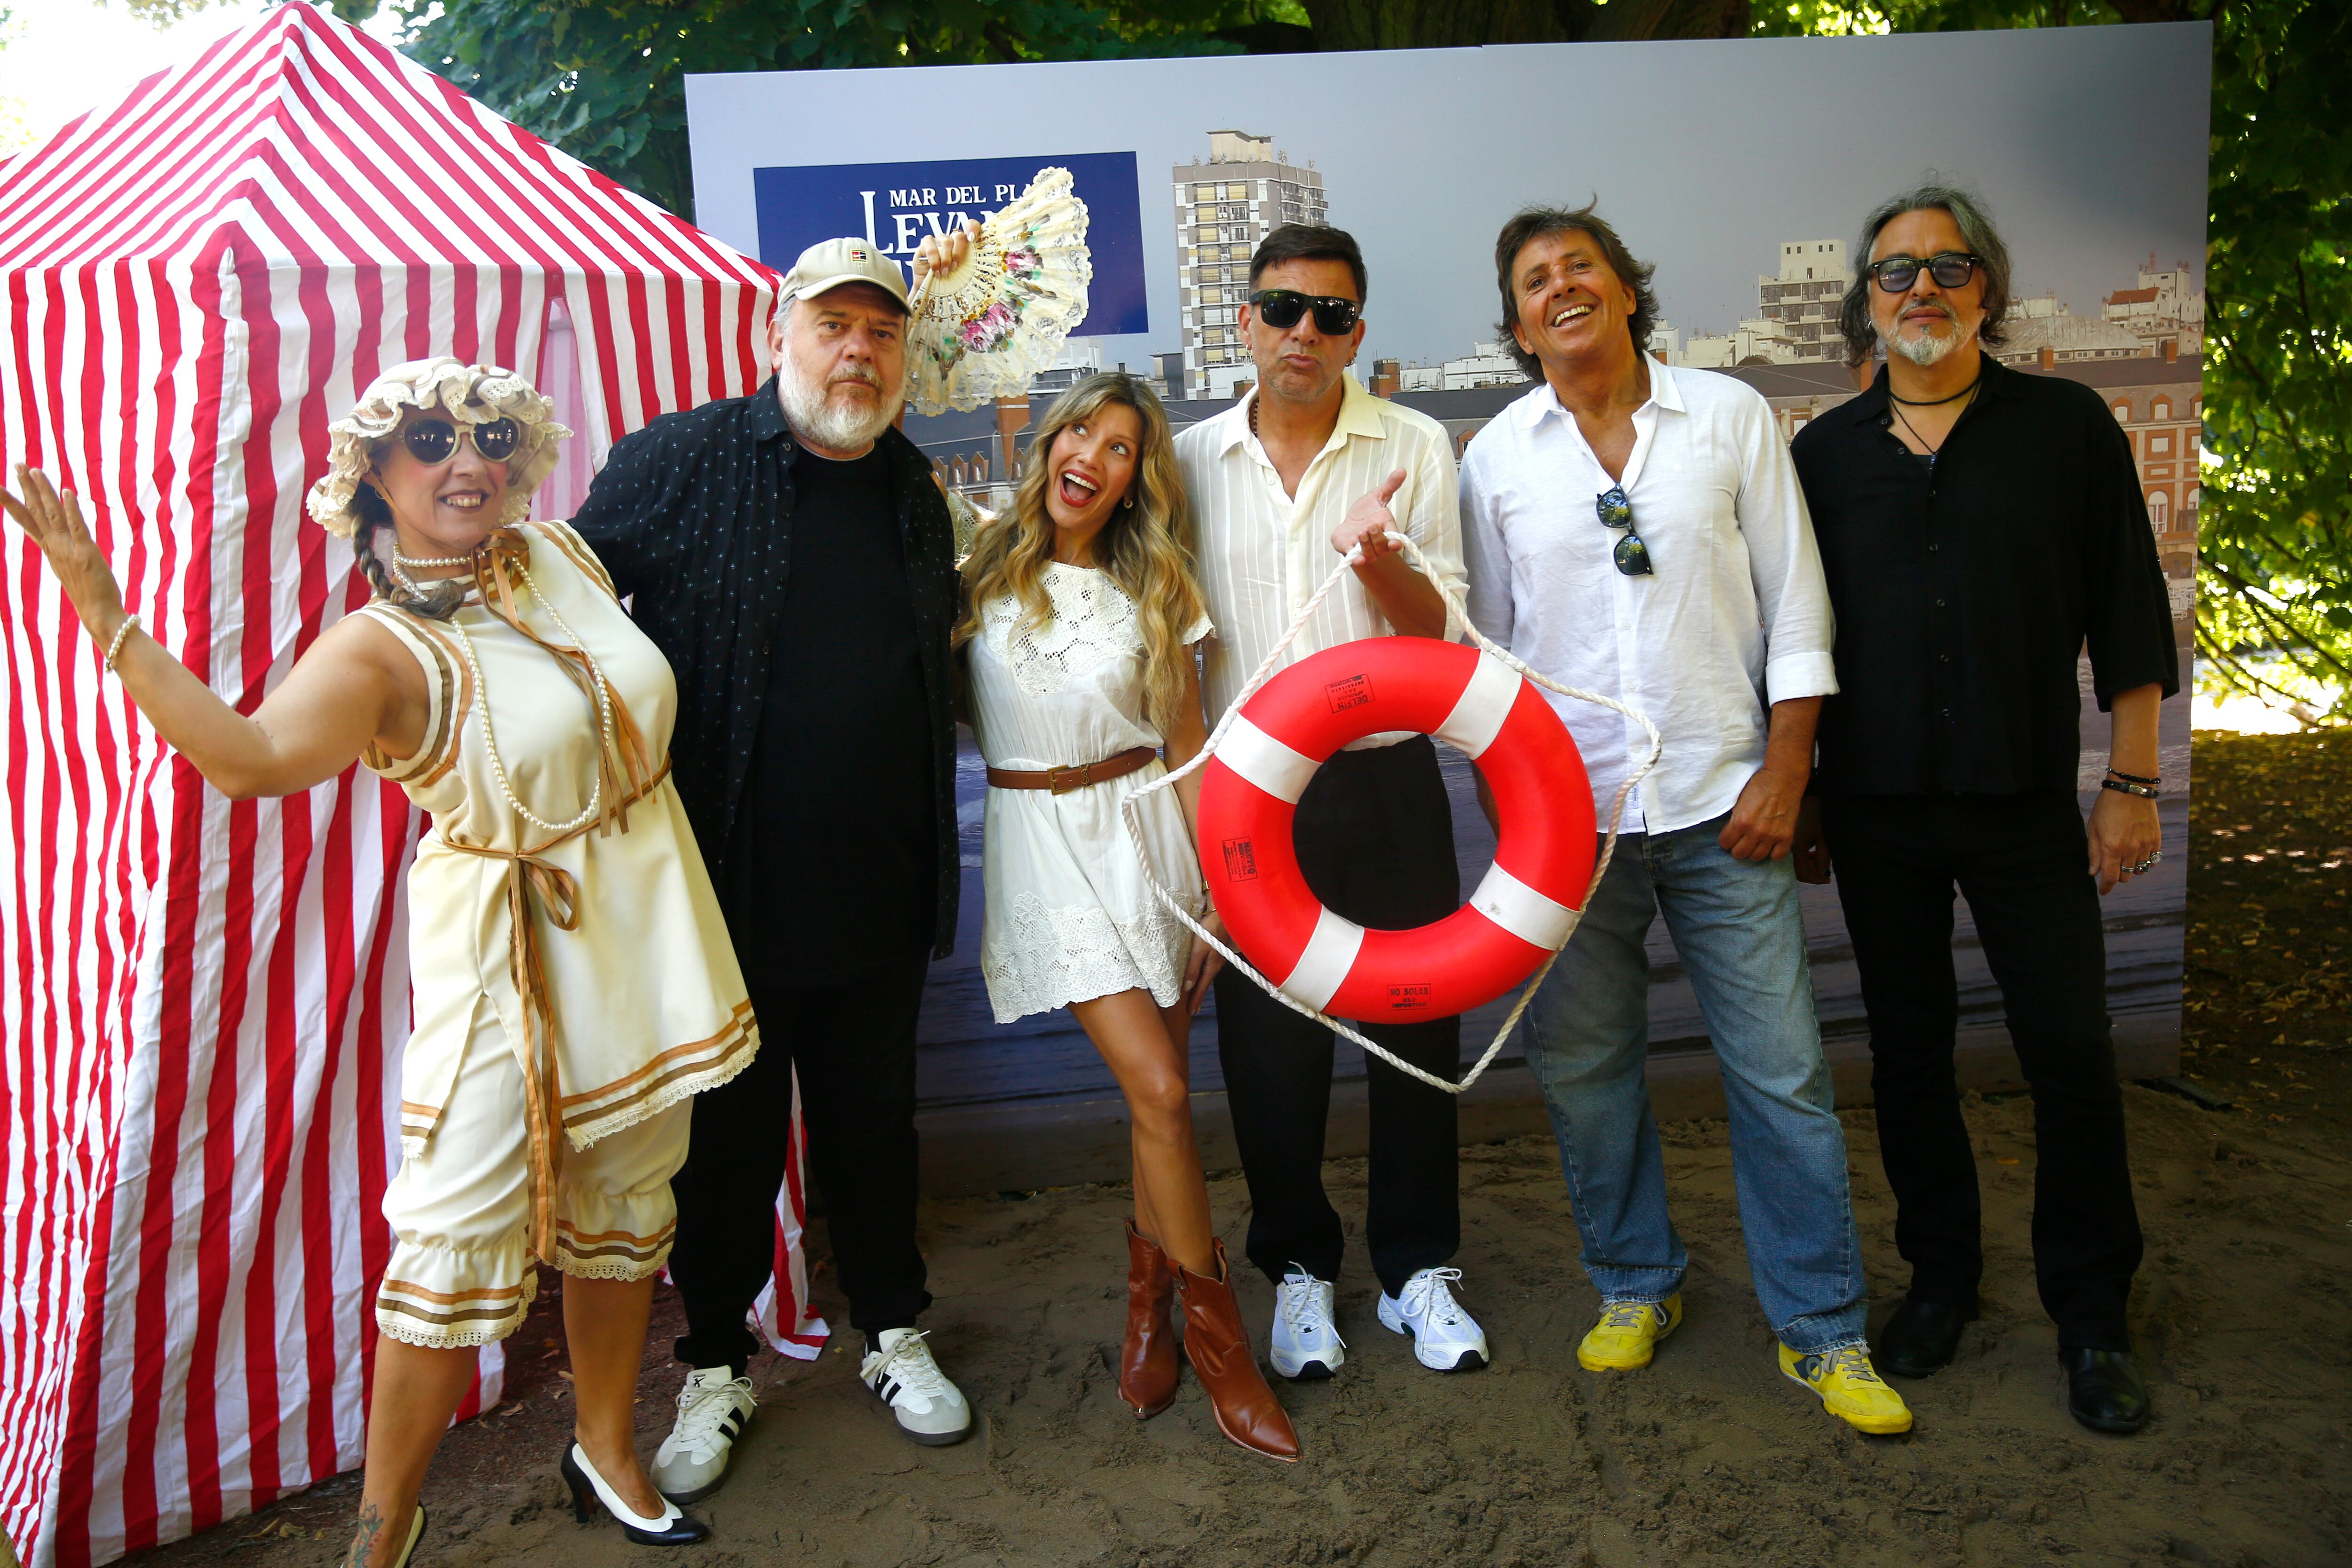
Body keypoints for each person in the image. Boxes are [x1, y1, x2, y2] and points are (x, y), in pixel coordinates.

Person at [4, 359, 749, 1565]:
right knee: (452, 1234)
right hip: (510, 954)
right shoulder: (378, 649)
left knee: (627, 1200)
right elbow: (248, 761)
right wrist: (106, 615)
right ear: (374, 477)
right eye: (428, 442)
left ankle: (608, 1449)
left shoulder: (564, 557)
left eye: (490, 435)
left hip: (646, 923)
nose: (467, 461)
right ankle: (381, 1530)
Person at [1459, 204, 1914, 1435]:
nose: (1562, 289)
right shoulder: (1495, 459)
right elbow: (1492, 661)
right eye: (1536, 281)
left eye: (1581, 268)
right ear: (1516, 324)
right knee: (1589, 1074)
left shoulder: (1730, 417)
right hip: (1574, 829)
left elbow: (1801, 607)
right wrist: (1521, 823)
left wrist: (1788, 766)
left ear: (1624, 289)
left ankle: (1822, 1330)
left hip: (1728, 805)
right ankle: (1634, 1280)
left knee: (1784, 1078)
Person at [568, 236, 972, 1490]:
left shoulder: (912, 485)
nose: (859, 349)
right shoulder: (680, 461)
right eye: (834, 324)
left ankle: (894, 1331)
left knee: (875, 1127)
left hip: (880, 884)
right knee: (728, 1144)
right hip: (720, 893)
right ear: (778, 336)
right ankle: (714, 1366)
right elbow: (567, 598)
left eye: (882, 331)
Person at [1789, 184, 2177, 1435]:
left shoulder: (2067, 429)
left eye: (1948, 267)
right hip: (1876, 808)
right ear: (1869, 299)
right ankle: (1941, 1277)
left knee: (2068, 1051)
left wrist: (2129, 779)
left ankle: (2093, 1309)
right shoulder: (1823, 456)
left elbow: (2127, 606)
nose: (1922, 289)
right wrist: (1796, 793)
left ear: (1987, 291)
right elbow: (1795, 642)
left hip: (2022, 805)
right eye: (1896, 272)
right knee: (1908, 1057)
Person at [959, 370, 1300, 1461]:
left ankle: (1148, 1305)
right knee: (1156, 1087)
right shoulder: (975, 571)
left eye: (1120, 448)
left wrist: (1211, 897)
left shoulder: (1157, 585)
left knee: (1163, 1096)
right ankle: (1222, 1346)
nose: (1092, 457)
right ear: (1047, 442)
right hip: (1038, 843)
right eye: (1079, 433)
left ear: (1135, 479)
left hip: (1146, 835)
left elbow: (1189, 748)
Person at [1174, 223, 1487, 1382]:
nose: (1306, 331)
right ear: (1247, 320)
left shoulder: (1412, 444)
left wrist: (1382, 559)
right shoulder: (1188, 459)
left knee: (1415, 1023)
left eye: (1333, 314)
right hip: (1256, 795)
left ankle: (1416, 1268)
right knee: (1270, 1046)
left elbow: (1444, 640)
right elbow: (1170, 647)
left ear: (1361, 327)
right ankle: (1300, 1270)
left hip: (1389, 775)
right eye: (1284, 308)